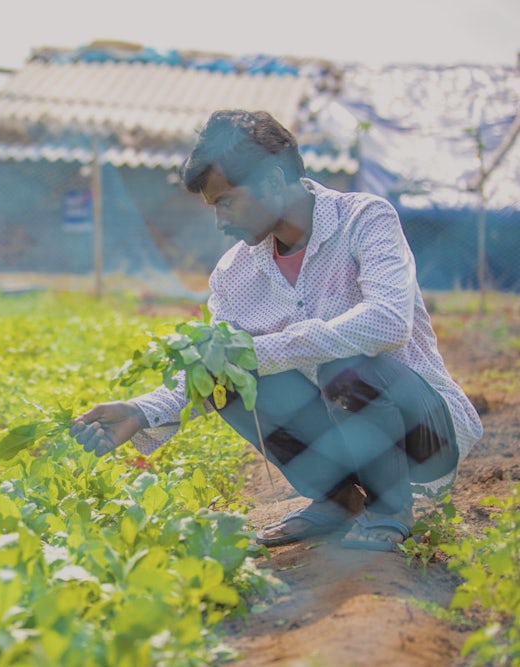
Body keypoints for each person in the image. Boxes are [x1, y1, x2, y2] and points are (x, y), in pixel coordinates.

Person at [69, 110, 482, 551]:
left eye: (226, 201)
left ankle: (388, 508)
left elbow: (386, 322)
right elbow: (217, 366)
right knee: (226, 379)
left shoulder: (364, 219)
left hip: (420, 433)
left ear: (271, 180)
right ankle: (337, 499)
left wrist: (255, 353)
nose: (220, 221)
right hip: (340, 427)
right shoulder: (234, 275)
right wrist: (140, 411)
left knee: (342, 363)